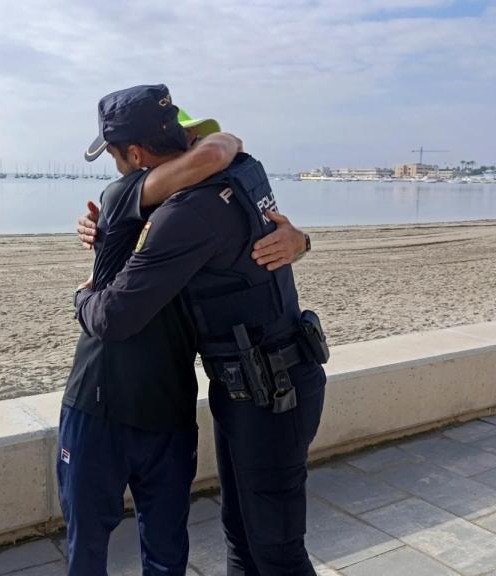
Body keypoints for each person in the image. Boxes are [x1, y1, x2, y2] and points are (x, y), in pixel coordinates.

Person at [77, 85, 328, 575]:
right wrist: (105, 231)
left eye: (111, 155)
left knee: (276, 550)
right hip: (256, 385)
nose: (114, 168)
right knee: (241, 533)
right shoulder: (242, 166)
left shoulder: (186, 212)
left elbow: (115, 316)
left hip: (272, 395)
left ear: (133, 153)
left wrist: (82, 295)